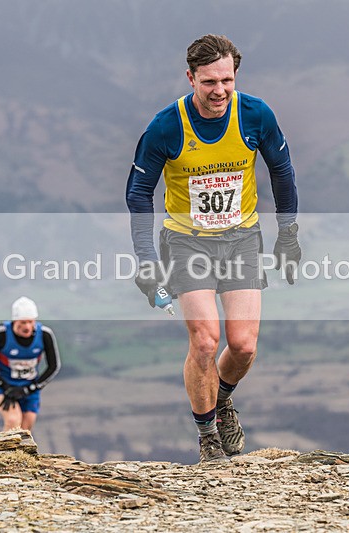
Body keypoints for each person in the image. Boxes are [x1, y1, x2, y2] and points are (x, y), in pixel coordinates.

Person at [126, 34, 301, 462]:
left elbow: (282, 172)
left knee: (243, 346)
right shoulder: (166, 126)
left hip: (241, 239)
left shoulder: (256, 115)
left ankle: (220, 401)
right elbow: (138, 193)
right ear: (191, 79)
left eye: (226, 80)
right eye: (209, 82)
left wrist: (288, 234)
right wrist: (146, 261)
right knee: (205, 341)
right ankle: (208, 439)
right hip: (187, 242)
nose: (219, 90)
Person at [0, 296, 61, 431]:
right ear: (14, 321)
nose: (27, 327)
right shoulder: (0, 334)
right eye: (22, 322)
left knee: (26, 428)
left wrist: (31, 388)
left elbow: (54, 366)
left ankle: (18, 447)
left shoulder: (45, 334)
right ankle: (4, 446)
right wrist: (5, 386)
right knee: (13, 421)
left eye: (30, 322)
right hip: (5, 387)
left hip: (29, 387)